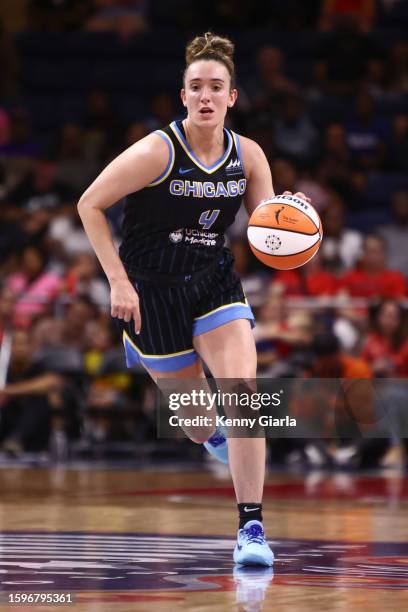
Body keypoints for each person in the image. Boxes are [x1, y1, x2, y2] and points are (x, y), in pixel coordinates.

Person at [77, 32, 312, 566]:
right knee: (196, 421)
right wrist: (117, 281)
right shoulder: (156, 151)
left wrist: (292, 221)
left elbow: (266, 232)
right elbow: (89, 204)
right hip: (150, 294)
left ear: (233, 97)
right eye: (196, 87)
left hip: (212, 284)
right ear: (182, 97)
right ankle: (215, 440)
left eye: (217, 87)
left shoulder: (248, 155)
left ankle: (250, 528)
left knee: (244, 394)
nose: (206, 96)